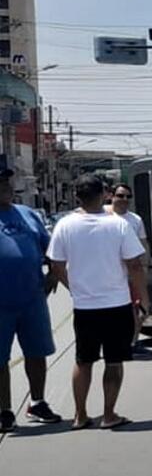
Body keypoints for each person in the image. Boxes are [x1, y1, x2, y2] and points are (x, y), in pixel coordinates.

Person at [48, 174, 148, 430]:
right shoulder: (119, 225)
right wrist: (143, 298)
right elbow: (135, 265)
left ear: (77, 196)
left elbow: (56, 265)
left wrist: (74, 288)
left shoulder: (64, 225)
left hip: (84, 307)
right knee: (114, 361)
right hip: (117, 303)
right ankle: (108, 414)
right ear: (104, 194)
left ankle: (80, 415)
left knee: (83, 360)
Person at [0, 167, 62, 431]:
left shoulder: (28, 215)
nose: (6, 186)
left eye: (7, 181)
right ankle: (4, 410)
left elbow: (52, 248)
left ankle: (37, 402)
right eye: (0, 183)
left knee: (37, 353)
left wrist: (53, 276)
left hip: (32, 299)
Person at [110, 183, 152, 356]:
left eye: (128, 196)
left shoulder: (135, 220)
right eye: (120, 196)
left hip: (133, 274)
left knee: (139, 311)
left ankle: (133, 343)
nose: (124, 199)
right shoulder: (104, 216)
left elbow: (143, 245)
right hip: (111, 275)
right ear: (111, 196)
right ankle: (116, 343)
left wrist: (146, 267)